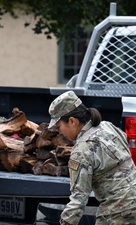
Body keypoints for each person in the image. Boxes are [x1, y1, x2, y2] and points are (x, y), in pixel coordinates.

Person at [48, 90, 136, 225]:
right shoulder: (108, 126)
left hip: (117, 213)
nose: (60, 133)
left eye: (59, 127)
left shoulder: (82, 149)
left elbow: (79, 199)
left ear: (72, 121)